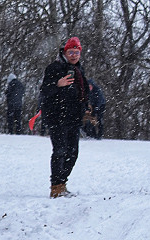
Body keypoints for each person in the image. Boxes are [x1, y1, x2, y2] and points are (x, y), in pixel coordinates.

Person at [40, 36, 92, 197]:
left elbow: (83, 92)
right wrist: (57, 84)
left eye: (77, 52)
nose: (74, 55)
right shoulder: (54, 68)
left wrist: (85, 106)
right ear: (65, 52)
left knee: (73, 153)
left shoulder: (79, 70)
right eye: (71, 52)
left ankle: (62, 182)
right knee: (60, 151)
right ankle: (55, 187)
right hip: (56, 117)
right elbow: (45, 90)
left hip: (74, 118)